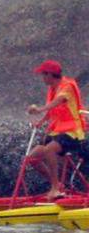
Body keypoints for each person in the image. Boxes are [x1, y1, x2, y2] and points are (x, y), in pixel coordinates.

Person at [27, 59, 86, 200]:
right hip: (58, 132)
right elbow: (52, 111)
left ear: (50, 75)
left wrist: (39, 109)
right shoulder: (52, 88)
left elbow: (58, 102)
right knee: (32, 158)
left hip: (73, 133)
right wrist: (40, 122)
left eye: (43, 74)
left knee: (49, 150)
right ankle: (58, 184)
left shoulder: (67, 86)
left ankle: (54, 189)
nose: (42, 78)